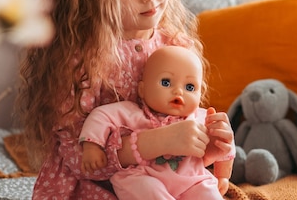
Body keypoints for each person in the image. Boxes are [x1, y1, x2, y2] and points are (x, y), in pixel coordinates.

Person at [16, 0, 234, 199]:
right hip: (98, 191)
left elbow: (180, 140)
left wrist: (207, 146)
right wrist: (158, 142)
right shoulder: (84, 61)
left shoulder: (174, 44)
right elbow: (80, 162)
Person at [80, 45, 235, 199]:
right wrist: (92, 146)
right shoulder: (133, 113)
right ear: (142, 89)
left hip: (192, 180)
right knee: (141, 187)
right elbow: (101, 116)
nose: (178, 91)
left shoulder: (201, 118)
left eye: (189, 87)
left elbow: (225, 143)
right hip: (145, 176)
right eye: (166, 82)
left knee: (208, 192)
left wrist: (223, 176)